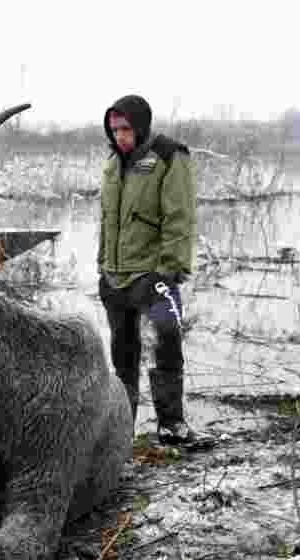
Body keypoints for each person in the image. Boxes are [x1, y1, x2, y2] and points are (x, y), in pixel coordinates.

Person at [97, 94, 213, 449]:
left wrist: (168, 270)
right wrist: (102, 267)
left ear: (141, 125)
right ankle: (122, 433)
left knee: (167, 341)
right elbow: (107, 221)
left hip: (153, 278)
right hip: (116, 278)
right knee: (123, 356)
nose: (120, 135)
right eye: (114, 129)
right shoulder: (111, 163)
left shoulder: (168, 156)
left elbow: (180, 219)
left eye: (126, 128)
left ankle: (171, 424)